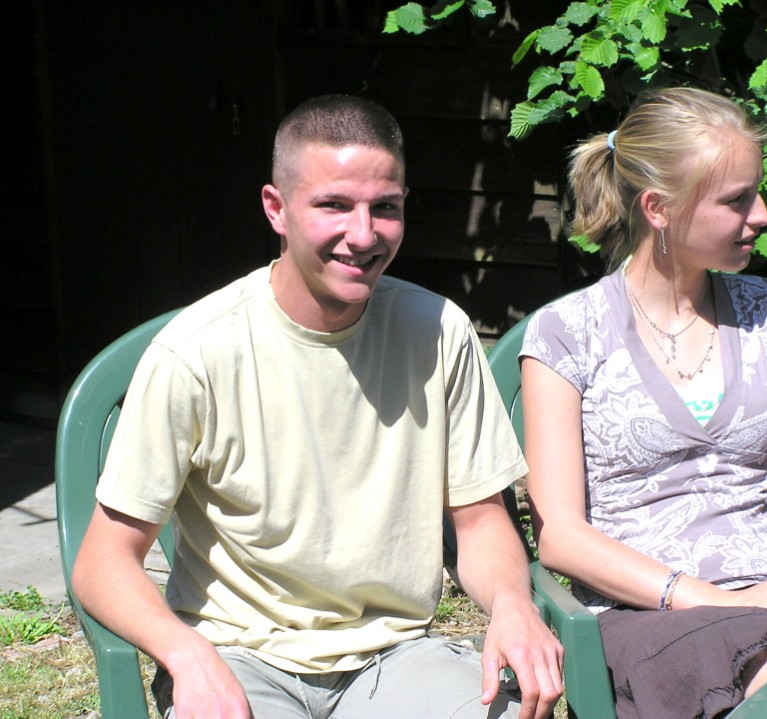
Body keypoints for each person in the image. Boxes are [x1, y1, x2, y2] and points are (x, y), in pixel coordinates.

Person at [72, 94, 563, 719]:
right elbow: (103, 561)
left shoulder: (440, 332)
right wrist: (186, 654)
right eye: (334, 205)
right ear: (276, 208)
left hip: (394, 657)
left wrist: (513, 605)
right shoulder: (195, 353)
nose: (364, 235)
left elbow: (480, 520)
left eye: (384, 207)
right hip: (239, 659)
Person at [518, 87, 767, 719]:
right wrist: (716, 600)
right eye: (736, 199)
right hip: (641, 614)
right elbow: (560, 537)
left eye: (758, 192)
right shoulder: (567, 334)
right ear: (659, 209)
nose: (763, 215)